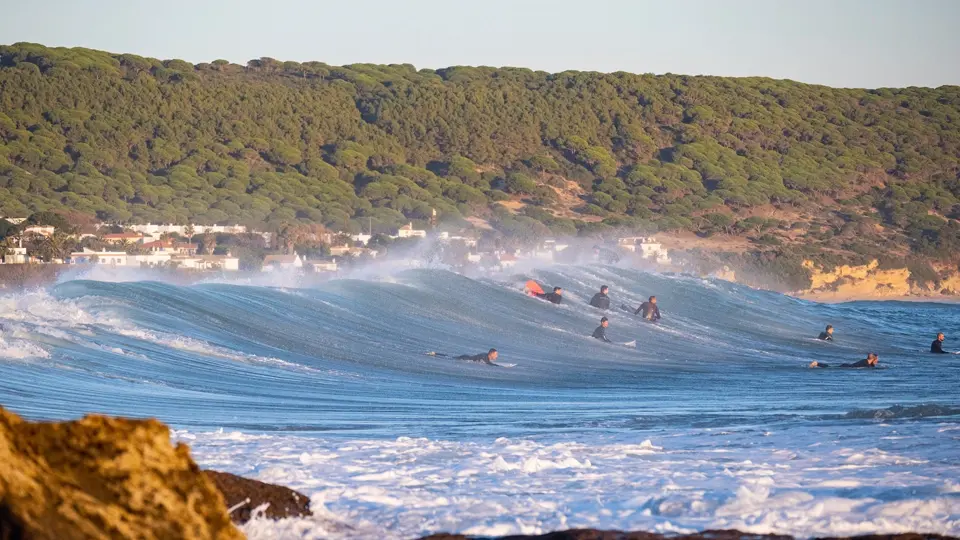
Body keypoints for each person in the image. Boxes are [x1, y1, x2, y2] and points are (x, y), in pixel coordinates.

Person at [429, 348, 499, 365]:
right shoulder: (485, 356)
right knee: (449, 357)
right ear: (491, 353)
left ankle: (435, 353)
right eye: (496, 354)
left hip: (466, 357)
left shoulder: (485, 355)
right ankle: (434, 354)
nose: (496, 356)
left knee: (450, 357)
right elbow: (488, 364)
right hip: (465, 358)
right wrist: (499, 367)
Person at [809, 353, 879, 368]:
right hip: (846, 367)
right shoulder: (865, 362)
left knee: (831, 367)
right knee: (830, 367)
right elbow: (869, 368)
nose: (877, 361)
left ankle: (817, 364)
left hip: (847, 366)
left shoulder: (867, 363)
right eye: (877, 359)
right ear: (873, 359)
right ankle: (816, 363)